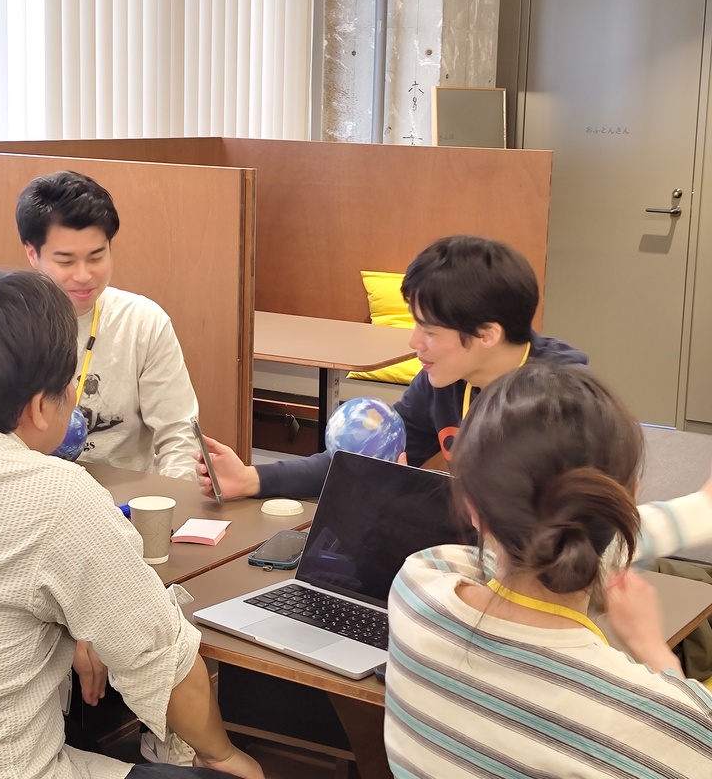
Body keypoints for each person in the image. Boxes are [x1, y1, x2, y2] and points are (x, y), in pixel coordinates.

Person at [0, 267, 263, 779]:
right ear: (40, 408)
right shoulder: (52, 494)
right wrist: (223, 757)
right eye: (69, 381)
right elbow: (161, 661)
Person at [385, 363, 712, 778]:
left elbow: (538, 543)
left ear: (471, 505)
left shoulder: (418, 584)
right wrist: (651, 648)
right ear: (629, 498)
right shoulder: (672, 724)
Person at [196, 235, 588, 500]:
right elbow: (366, 458)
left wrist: (404, 492)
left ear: (487, 334)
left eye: (429, 330)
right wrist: (252, 479)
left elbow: (560, 525)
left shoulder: (562, 402)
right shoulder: (445, 381)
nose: (414, 342)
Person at [17, 170, 199, 480]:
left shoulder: (142, 321)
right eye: (66, 261)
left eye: (96, 257)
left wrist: (173, 499)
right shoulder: (3, 325)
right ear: (33, 253)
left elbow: (179, 436)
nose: (84, 275)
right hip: (30, 490)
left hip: (125, 497)